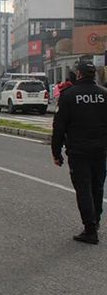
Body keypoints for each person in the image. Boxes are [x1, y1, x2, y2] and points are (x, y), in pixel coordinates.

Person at [52, 58, 107, 245]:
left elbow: (59, 127)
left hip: (78, 151)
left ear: (79, 74)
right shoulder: (104, 94)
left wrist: (56, 152)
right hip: (100, 151)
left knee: (84, 189)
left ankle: (90, 230)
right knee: (97, 188)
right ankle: (96, 222)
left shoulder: (68, 95)